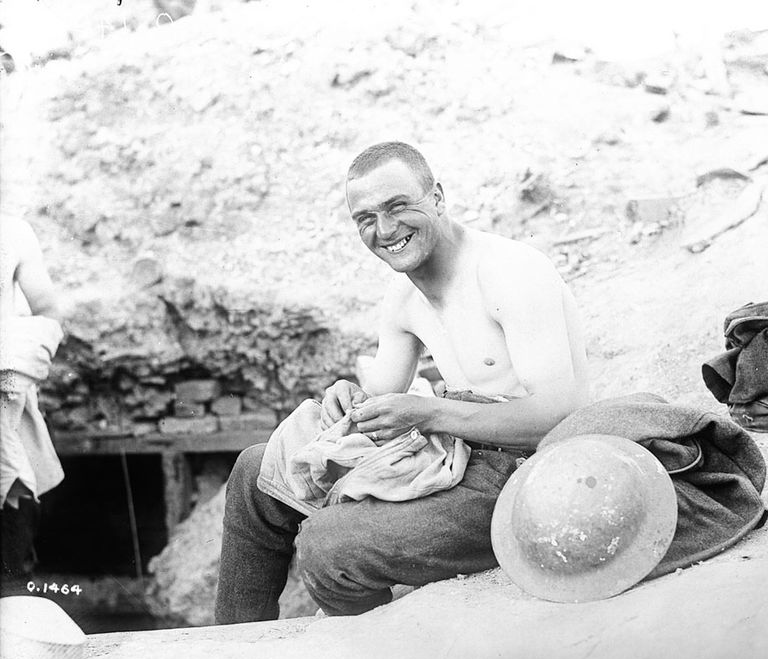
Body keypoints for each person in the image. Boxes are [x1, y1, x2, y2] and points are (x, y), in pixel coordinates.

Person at [215, 142, 590, 621]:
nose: (385, 230)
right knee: (255, 471)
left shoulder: (510, 273)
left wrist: (430, 412)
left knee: (329, 547)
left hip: (529, 479)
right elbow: (379, 401)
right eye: (366, 218)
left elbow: (557, 418)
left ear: (436, 196)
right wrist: (347, 399)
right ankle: (236, 646)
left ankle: (366, 645)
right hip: (457, 456)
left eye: (397, 206)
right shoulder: (403, 299)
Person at [0, 217, 64, 595]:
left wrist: (19, 360)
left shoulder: (11, 231)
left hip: (3, 387)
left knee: (13, 479)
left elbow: (47, 311)